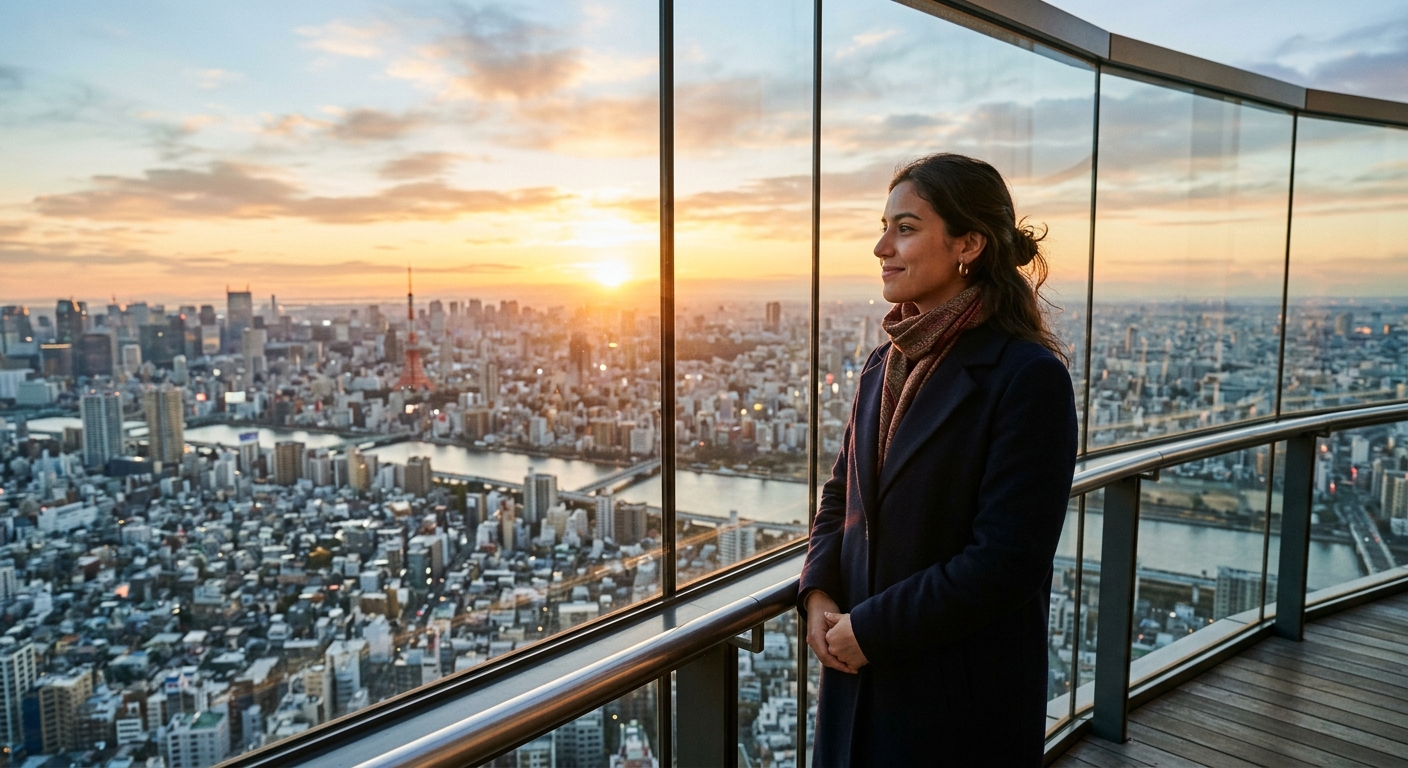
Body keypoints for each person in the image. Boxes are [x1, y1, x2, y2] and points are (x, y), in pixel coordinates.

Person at [799, 153, 1078, 766]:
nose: (880, 247)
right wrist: (818, 589)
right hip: (856, 680)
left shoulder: (1026, 377)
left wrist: (873, 630)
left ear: (968, 244)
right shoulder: (884, 362)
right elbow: (841, 493)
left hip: (954, 698)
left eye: (905, 227)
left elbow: (1006, 560)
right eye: (884, 226)